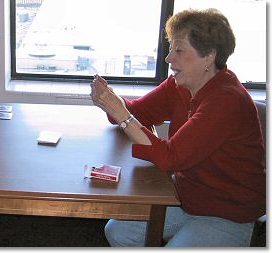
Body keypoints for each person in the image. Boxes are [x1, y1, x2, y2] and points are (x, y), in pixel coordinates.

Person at [90, 9, 265, 247]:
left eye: (179, 50)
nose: (168, 58)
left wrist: (120, 113)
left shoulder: (228, 101)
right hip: (186, 197)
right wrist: (109, 99)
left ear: (209, 56)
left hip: (228, 213)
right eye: (171, 48)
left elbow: (169, 158)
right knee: (119, 231)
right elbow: (138, 112)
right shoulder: (180, 84)